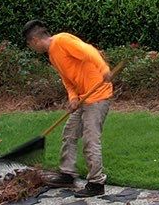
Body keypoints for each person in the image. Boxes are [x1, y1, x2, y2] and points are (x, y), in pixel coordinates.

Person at [24, 19, 114, 195]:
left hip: (98, 96)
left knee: (91, 139)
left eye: (30, 45)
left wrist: (103, 68)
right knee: (69, 133)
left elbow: (89, 50)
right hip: (82, 98)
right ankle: (67, 174)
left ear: (34, 41)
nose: (32, 48)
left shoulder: (62, 41)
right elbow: (67, 79)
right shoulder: (52, 55)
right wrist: (72, 97)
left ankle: (96, 183)